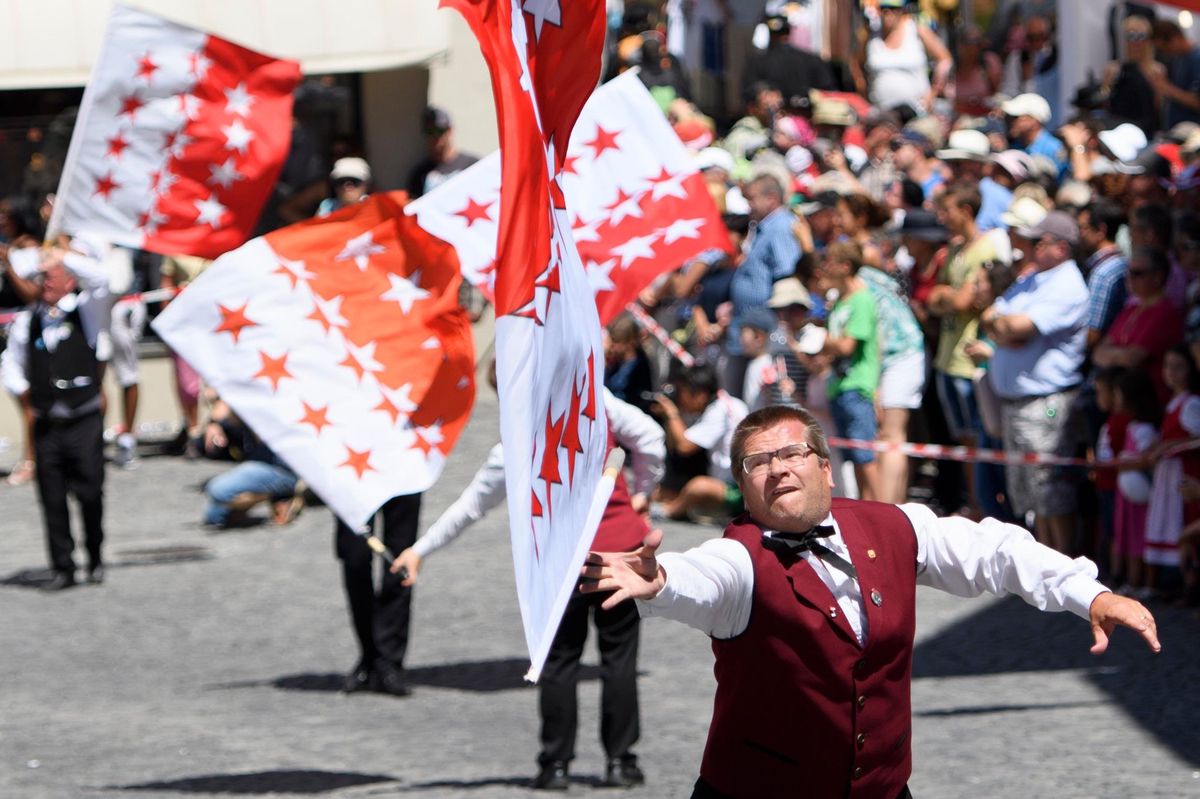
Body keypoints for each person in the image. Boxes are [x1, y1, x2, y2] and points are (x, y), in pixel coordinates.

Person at [581, 404, 1160, 799]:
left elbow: (995, 550)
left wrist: (1090, 594)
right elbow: (702, 579)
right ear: (743, 484)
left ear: (826, 469)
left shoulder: (896, 526)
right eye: (758, 462)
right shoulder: (739, 559)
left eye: (792, 454)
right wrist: (660, 583)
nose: (778, 468)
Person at [390, 388, 664, 790]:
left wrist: (419, 551)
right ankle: (621, 762)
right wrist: (643, 490)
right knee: (619, 659)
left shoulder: (518, 439)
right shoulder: (594, 396)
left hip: (562, 560)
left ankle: (555, 766)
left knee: (558, 661)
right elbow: (650, 437)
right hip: (620, 549)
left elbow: (472, 504)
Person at [0, 245, 110, 590]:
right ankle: (62, 565)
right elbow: (13, 363)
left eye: (50, 275)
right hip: (48, 422)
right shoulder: (27, 320)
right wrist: (25, 392)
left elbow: (102, 278)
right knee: (51, 497)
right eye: (40, 277)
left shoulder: (87, 311)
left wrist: (59, 255)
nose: (43, 282)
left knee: (90, 491)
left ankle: (94, 555)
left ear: (68, 279)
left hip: (84, 419)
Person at [981, 211, 1089, 552]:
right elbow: (990, 317)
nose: (1026, 247)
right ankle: (1045, 559)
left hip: (1046, 402)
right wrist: (1007, 330)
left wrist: (1008, 330)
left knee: (1050, 487)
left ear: (1061, 247)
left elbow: (1017, 329)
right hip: (1018, 403)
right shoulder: (1031, 279)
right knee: (1027, 491)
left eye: (1036, 242)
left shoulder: (1068, 285)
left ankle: (1065, 561)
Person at [811, 241, 880, 501]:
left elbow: (848, 344)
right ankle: (866, 509)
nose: (825, 267)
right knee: (854, 458)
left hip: (856, 386)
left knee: (866, 458)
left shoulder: (861, 300)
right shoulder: (841, 301)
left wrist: (820, 338)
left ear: (846, 266)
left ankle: (881, 512)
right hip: (839, 385)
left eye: (830, 261)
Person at [336, 495, 421, 698]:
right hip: (351, 474)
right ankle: (369, 654)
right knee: (354, 557)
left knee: (399, 560)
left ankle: (390, 659)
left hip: (402, 470)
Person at [725, 175, 799, 396]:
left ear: (772, 198)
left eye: (753, 199)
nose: (749, 205)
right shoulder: (762, 227)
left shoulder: (780, 227)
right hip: (748, 325)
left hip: (766, 329)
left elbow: (786, 272)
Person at [651, 362, 749, 522]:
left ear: (700, 394)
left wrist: (671, 412)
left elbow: (684, 446)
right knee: (661, 492)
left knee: (697, 487)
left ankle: (670, 511)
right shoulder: (729, 402)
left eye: (682, 392)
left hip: (737, 490)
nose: (680, 399)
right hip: (724, 479)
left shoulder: (720, 411)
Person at [1091, 247, 1184, 400]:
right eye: (1128, 272)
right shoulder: (1132, 308)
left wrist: (1113, 353)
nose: (1129, 278)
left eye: (1137, 273)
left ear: (1157, 276)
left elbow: (1133, 358)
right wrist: (1121, 354)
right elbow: (1098, 352)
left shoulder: (1165, 313)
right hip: (1123, 403)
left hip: (1149, 404)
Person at [856, 0, 952, 113]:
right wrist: (863, 92)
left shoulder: (917, 29)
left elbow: (944, 59)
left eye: (893, 9)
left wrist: (934, 92)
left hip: (918, 111)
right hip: (882, 113)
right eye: (884, 9)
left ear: (902, 11)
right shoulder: (870, 34)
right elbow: (856, 63)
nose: (888, 13)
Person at [742, 14, 835, 103]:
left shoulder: (757, 62)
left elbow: (748, 93)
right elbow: (828, 91)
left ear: (770, 33)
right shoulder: (812, 60)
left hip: (775, 116)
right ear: (789, 31)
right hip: (808, 115)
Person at [1102, 15, 1165, 138]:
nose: (1135, 42)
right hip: (1118, 128)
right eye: (1130, 36)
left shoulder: (1157, 70)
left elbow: (1159, 106)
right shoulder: (1113, 69)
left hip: (1146, 130)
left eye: (1140, 36)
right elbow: (1105, 102)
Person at [406, 106, 479, 199]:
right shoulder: (420, 174)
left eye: (439, 131)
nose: (435, 136)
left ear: (450, 130)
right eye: (429, 131)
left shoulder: (472, 165)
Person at [1002, 93, 1068, 180]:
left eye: (1015, 117)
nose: (1010, 121)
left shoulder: (1054, 148)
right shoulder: (1014, 145)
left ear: (1034, 121)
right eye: (1008, 117)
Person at [1151, 19, 1200, 128]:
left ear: (1175, 39)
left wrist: (1166, 88)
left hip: (1191, 130)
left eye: (1165, 48)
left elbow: (1197, 102)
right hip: (1176, 128)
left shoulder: (1196, 60)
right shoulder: (1179, 59)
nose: (1166, 53)